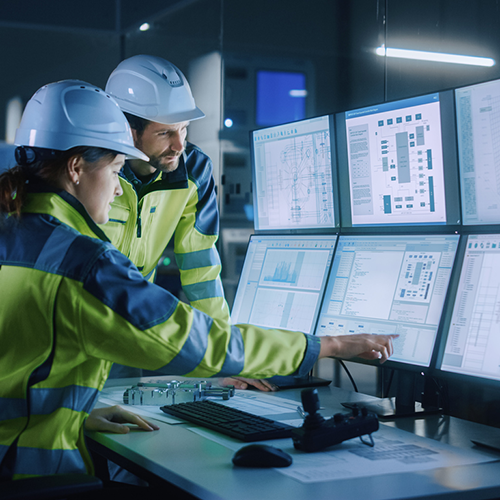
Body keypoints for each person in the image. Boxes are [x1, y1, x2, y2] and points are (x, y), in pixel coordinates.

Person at [0, 79, 397, 480]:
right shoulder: (82, 262)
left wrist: (75, 415)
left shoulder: (13, 235)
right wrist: (325, 345)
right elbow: (192, 341)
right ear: (75, 168)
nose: (119, 185)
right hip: (29, 471)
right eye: (116, 169)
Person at [103, 55, 272, 390]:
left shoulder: (194, 171)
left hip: (126, 334)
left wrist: (223, 358)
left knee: (115, 426)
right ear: (127, 129)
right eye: (166, 132)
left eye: (184, 129)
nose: (179, 145)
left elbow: (201, 270)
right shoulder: (94, 170)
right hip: (72, 326)